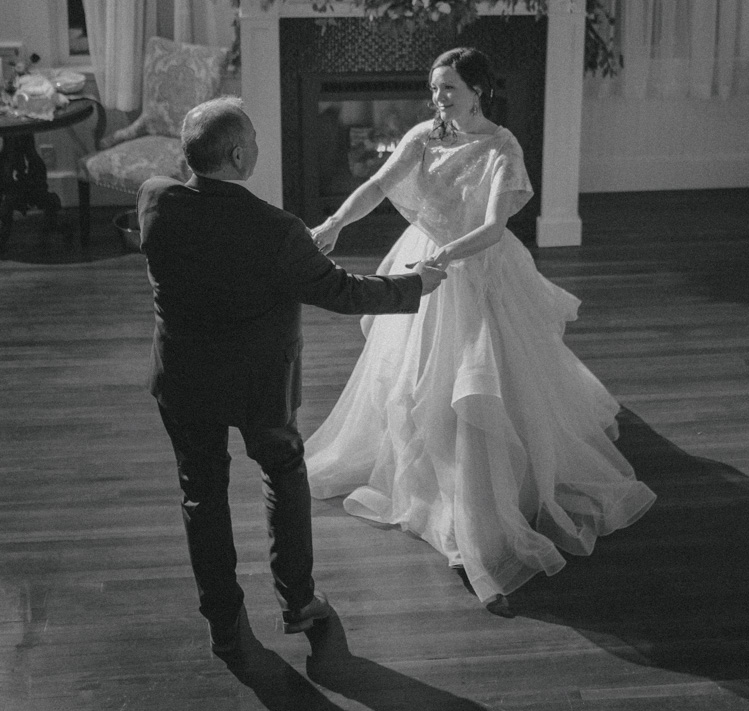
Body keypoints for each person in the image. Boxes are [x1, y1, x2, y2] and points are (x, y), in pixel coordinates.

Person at [305, 48, 655, 616]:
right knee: (417, 380)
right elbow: (376, 185)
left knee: (481, 382)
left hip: (474, 265)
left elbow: (493, 227)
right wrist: (335, 222)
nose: (438, 98)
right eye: (434, 88)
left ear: (476, 91)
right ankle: (429, 471)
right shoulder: (425, 135)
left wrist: (443, 257)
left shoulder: (502, 147)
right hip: (427, 261)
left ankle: (482, 507)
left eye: (448, 88)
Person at [137, 97, 447, 657]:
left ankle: (222, 617)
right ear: (236, 154)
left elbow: (221, 249)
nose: (258, 145)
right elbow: (342, 291)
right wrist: (415, 285)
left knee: (200, 494)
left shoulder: (155, 198)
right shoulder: (276, 231)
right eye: (253, 138)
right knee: (282, 474)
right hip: (260, 384)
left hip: (184, 378)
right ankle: (299, 603)